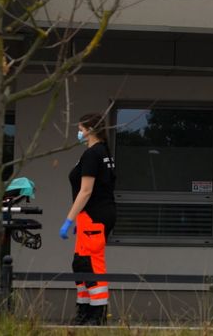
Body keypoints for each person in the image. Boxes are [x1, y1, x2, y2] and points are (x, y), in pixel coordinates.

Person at [59, 112, 117, 325]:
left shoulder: (93, 154)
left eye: (81, 129)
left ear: (90, 130)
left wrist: (69, 220)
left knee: (91, 263)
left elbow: (86, 191)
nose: (79, 133)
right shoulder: (103, 152)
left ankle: (97, 314)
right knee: (81, 263)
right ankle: (84, 310)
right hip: (93, 215)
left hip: (94, 215)